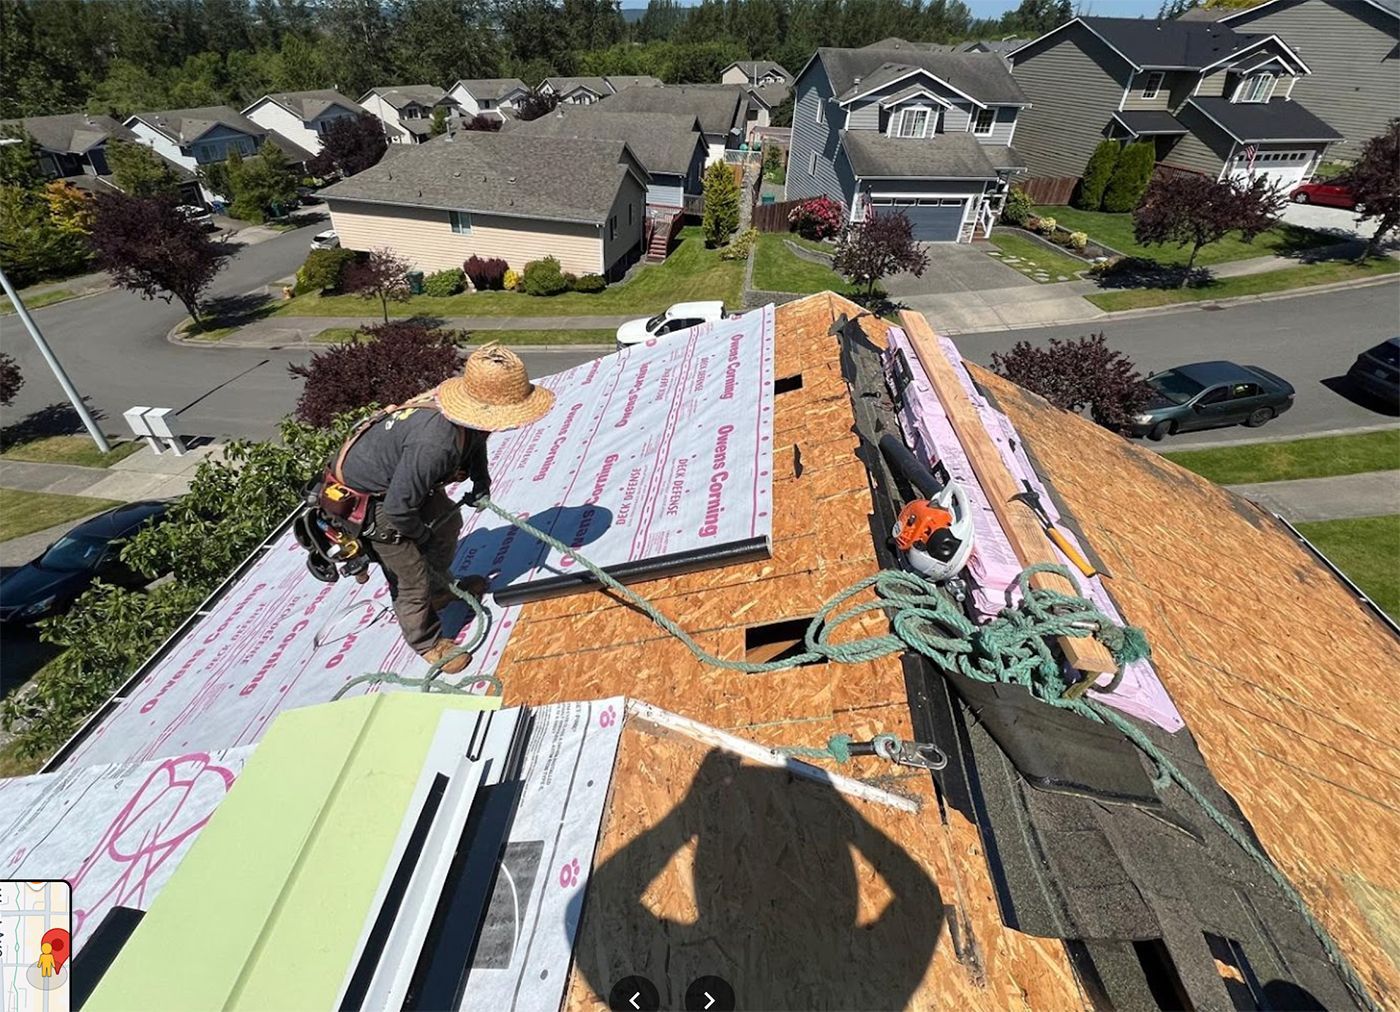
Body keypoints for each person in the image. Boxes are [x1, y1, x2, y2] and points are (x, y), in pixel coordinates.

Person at [335, 343, 555, 673]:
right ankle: (425, 639)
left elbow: (476, 443)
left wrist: (482, 482)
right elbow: (397, 509)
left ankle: (440, 592)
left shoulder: (470, 422)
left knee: (448, 524)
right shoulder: (435, 444)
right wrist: (420, 535)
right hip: (368, 501)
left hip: (399, 484)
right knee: (412, 573)